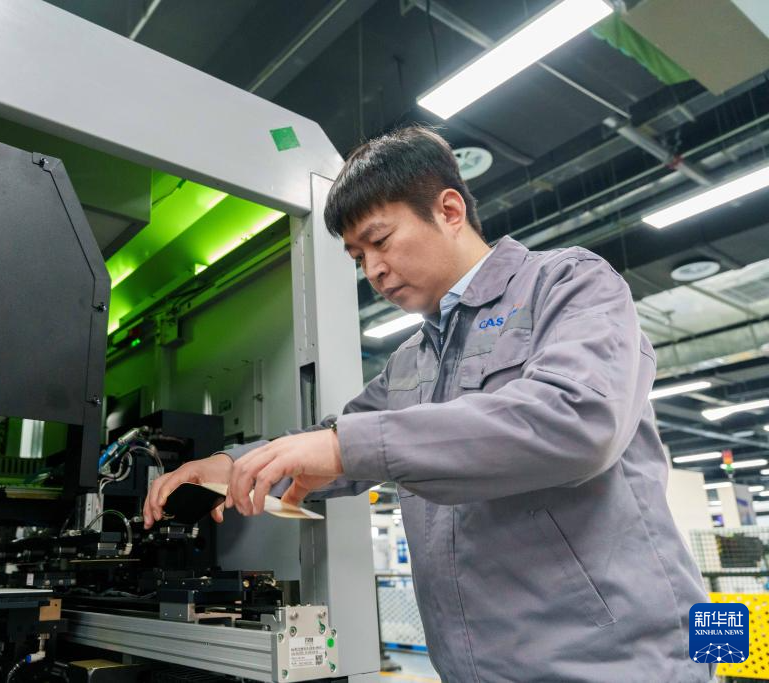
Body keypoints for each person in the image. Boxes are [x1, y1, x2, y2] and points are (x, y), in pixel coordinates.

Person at [143, 126, 711, 682]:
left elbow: (578, 420)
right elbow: (334, 444)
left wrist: (345, 447)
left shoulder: (568, 285)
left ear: (449, 210)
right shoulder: (411, 360)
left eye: (380, 241)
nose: (372, 270)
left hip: (616, 664)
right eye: (357, 257)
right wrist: (231, 465)